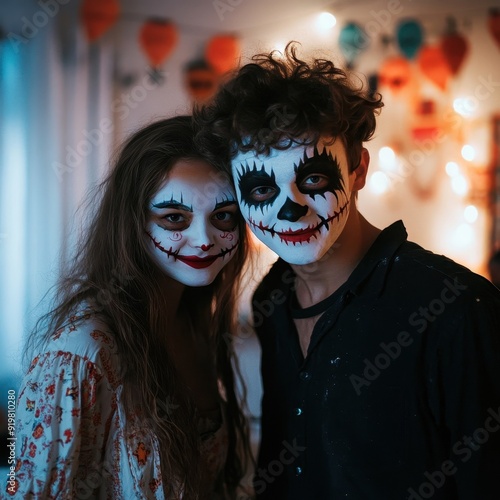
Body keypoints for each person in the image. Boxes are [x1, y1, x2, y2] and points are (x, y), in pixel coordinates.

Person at [194, 44, 500, 499]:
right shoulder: (271, 299)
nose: (290, 209)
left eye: (313, 178)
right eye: (260, 187)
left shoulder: (454, 307)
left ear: (358, 169)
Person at [10, 116, 252, 499]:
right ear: (132, 222)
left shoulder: (193, 323)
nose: (204, 240)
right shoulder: (81, 353)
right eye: (175, 217)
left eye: (223, 216)